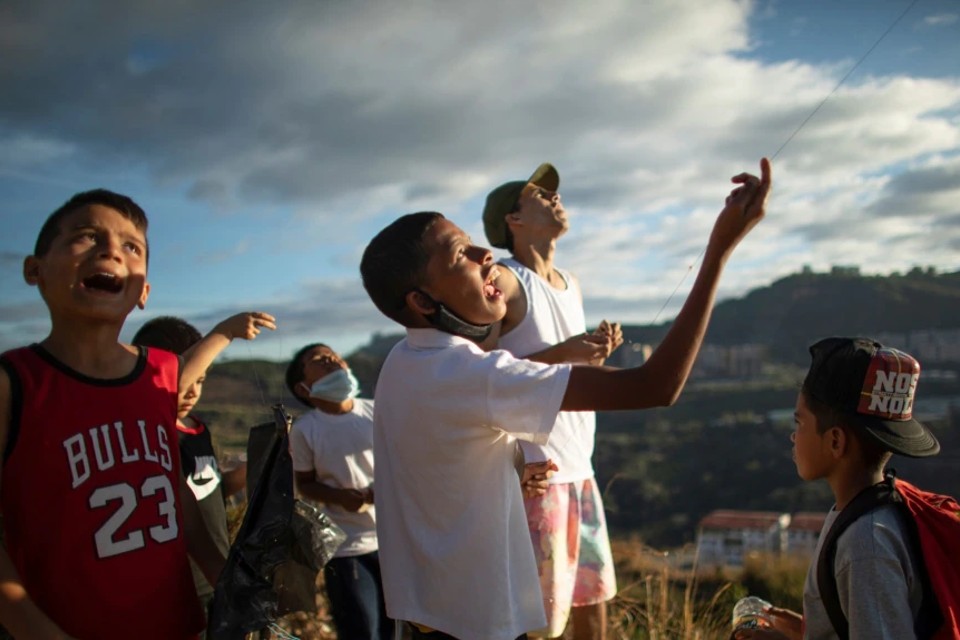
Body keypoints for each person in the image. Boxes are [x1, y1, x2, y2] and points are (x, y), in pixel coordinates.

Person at [359, 159, 771, 640]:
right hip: (477, 623)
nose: (483, 254)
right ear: (423, 302)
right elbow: (656, 386)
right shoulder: (472, 372)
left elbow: (440, 464)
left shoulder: (402, 361)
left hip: (430, 613)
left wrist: (510, 466)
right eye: (459, 255)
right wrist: (718, 252)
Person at [0, 188, 276, 640]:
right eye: (87, 237)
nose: (111, 250)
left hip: (178, 625)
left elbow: (175, 498)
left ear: (144, 291)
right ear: (36, 270)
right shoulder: (14, 383)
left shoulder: (162, 375)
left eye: (133, 247)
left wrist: (228, 576)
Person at [481, 163, 624, 639]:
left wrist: (595, 354)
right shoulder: (504, 280)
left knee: (593, 603)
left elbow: (569, 374)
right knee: (538, 624)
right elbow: (477, 372)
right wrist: (567, 352)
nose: (554, 197)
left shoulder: (570, 282)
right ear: (513, 220)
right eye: (538, 194)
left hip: (581, 468)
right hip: (536, 475)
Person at [733, 337, 941, 640]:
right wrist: (811, 629)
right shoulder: (877, 510)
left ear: (835, 441)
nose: (793, 436)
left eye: (799, 423)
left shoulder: (865, 544)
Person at [132, 316, 249, 635]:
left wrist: (249, 472)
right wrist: (225, 333)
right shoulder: (147, 435)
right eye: (186, 378)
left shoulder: (198, 431)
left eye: (201, 380)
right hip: (179, 589)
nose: (192, 390)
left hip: (216, 579)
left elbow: (209, 492)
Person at [285, 343, 394, 640]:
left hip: (393, 540)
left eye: (334, 354)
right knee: (362, 629)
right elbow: (304, 483)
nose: (332, 359)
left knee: (395, 628)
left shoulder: (379, 409)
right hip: (347, 548)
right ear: (303, 388)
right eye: (318, 359)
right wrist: (341, 498)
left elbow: (402, 462)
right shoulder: (306, 430)